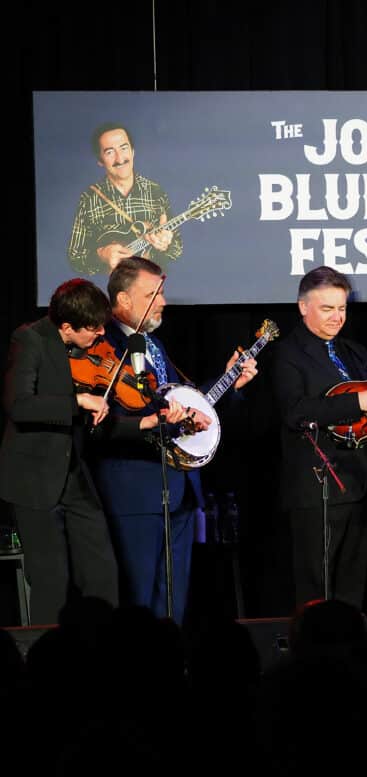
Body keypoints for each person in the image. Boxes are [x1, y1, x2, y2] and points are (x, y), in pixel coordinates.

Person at [0, 279, 190, 624]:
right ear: (67, 327)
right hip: (35, 479)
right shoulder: (30, 340)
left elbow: (99, 426)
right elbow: (19, 405)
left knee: (103, 574)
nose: (101, 334)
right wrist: (77, 401)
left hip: (75, 475)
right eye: (92, 328)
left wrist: (145, 423)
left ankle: (102, 657)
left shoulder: (89, 351)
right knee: (51, 583)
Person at [90, 256, 257, 623]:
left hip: (176, 490)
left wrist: (229, 384)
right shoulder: (104, 346)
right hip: (135, 490)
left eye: (161, 292)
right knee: (138, 602)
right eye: (153, 294)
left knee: (173, 601)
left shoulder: (154, 345)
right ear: (122, 301)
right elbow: (118, 415)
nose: (163, 301)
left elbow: (185, 403)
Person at [272, 266, 367, 610]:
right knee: (317, 589)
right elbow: (296, 412)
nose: (336, 317)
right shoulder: (288, 354)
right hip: (317, 488)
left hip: (358, 483)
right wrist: (358, 400)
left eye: (341, 308)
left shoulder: (353, 351)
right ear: (302, 306)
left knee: (352, 589)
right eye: (327, 308)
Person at [67, 122, 182, 277]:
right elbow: (75, 258)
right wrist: (101, 254)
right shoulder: (89, 199)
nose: (120, 158)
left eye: (124, 148)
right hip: (111, 290)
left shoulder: (155, 192)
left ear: (133, 152)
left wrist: (166, 244)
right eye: (109, 152)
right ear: (100, 160)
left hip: (152, 287)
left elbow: (177, 249)